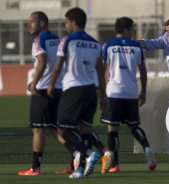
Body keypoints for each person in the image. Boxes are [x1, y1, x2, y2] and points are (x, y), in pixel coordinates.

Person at [47, 7, 112, 179]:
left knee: (63, 130)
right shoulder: (95, 43)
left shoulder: (67, 40)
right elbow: (101, 73)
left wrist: (51, 86)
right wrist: (103, 96)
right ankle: (80, 170)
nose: (66, 25)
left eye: (66, 22)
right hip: (90, 90)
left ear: (74, 22)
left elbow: (58, 66)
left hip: (73, 89)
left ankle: (88, 154)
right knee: (84, 131)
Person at [101, 17, 157, 173]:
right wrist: (143, 91)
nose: (132, 32)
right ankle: (147, 149)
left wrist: (103, 91)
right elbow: (143, 71)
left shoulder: (108, 45)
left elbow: (103, 70)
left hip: (114, 91)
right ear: (125, 30)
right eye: (131, 29)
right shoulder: (136, 47)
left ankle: (115, 164)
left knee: (112, 129)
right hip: (131, 92)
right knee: (134, 126)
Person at [18, 11, 64, 176]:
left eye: (32, 21)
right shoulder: (58, 39)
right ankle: (80, 155)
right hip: (58, 88)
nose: (28, 24)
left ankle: (35, 168)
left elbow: (42, 62)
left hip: (43, 89)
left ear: (42, 23)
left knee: (38, 129)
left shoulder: (39, 40)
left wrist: (34, 84)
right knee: (55, 128)